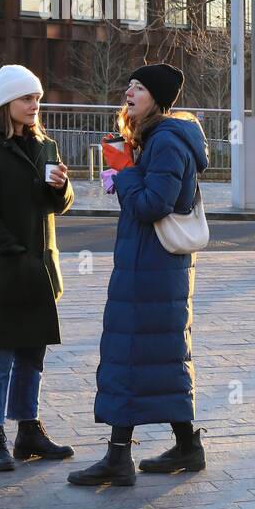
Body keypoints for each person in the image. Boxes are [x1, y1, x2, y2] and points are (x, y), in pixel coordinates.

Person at [70, 63, 210, 486]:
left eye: (139, 87)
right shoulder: (155, 138)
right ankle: (187, 447)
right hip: (150, 267)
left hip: (152, 268)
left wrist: (125, 174)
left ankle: (118, 457)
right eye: (128, 84)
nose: (128, 92)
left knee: (133, 354)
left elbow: (152, 204)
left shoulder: (166, 141)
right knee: (157, 356)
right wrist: (124, 172)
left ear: (157, 98)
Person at [0, 65, 75, 472]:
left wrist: (61, 187)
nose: (35, 105)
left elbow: (59, 205)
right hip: (2, 272)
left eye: (37, 99)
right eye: (27, 98)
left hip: (41, 269)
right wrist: (12, 254)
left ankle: (28, 430)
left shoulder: (47, 146)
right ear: (6, 103)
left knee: (32, 355)